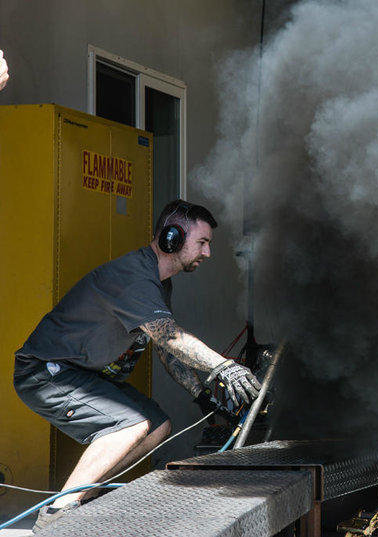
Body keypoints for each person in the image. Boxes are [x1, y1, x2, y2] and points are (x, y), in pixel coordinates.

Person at [12, 199, 261, 531]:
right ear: (171, 238)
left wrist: (202, 395)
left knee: (157, 424)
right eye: (202, 242)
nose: (207, 253)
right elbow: (171, 338)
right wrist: (225, 368)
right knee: (130, 425)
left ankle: (82, 501)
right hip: (45, 372)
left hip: (81, 374)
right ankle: (59, 513)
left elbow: (165, 350)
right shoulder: (133, 277)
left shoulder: (160, 284)